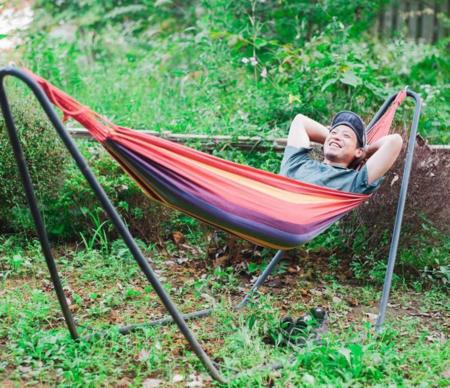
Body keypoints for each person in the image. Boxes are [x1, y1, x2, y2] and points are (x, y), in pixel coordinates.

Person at [280, 111, 403, 194]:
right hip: (269, 211)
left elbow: (394, 141)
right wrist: (332, 140)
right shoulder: (297, 161)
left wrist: (366, 150)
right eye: (334, 132)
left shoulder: (354, 182)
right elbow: (300, 121)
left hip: (294, 225)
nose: (337, 137)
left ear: (358, 152)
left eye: (346, 135)